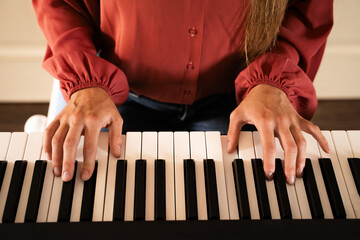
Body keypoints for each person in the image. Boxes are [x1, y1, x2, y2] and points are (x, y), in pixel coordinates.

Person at [33, 0, 333, 185]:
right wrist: (86, 82)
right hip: (115, 97)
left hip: (243, 102)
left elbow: (308, 8)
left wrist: (272, 80)